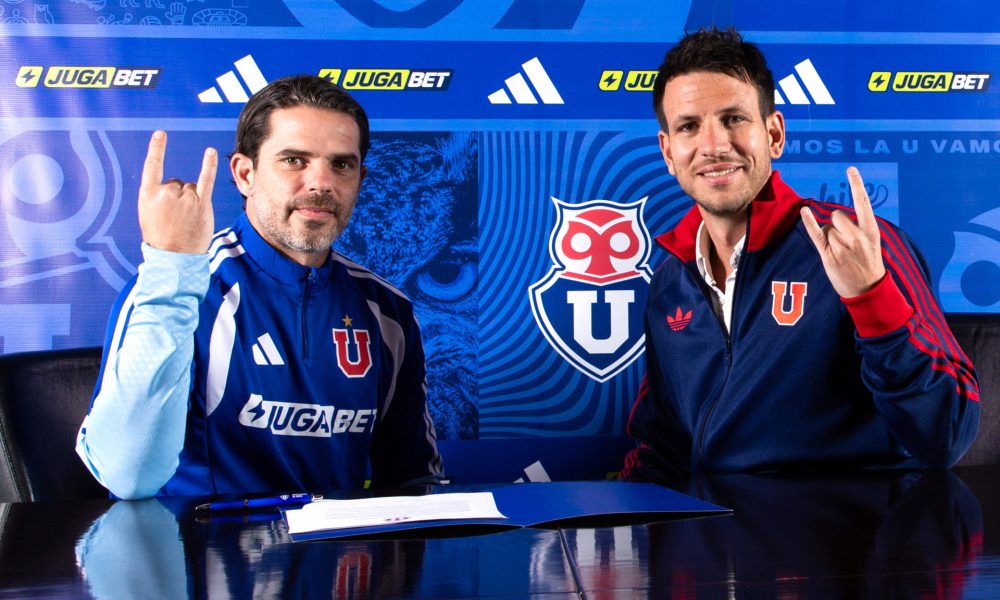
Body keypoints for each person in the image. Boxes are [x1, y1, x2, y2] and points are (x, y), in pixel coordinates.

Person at [621, 28, 979, 484]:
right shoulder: (671, 280)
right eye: (689, 126)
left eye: (733, 119)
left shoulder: (856, 245)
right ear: (668, 152)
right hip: (722, 524)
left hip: (855, 526)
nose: (713, 145)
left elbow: (947, 435)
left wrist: (871, 297)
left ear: (773, 134)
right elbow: (662, 446)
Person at [76, 75, 444, 499]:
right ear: (245, 174)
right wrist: (173, 267)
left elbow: (413, 481)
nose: (321, 183)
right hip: (195, 540)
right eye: (294, 160)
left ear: (360, 178)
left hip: (336, 542)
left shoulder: (387, 311)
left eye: (341, 165)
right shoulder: (180, 287)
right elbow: (129, 475)